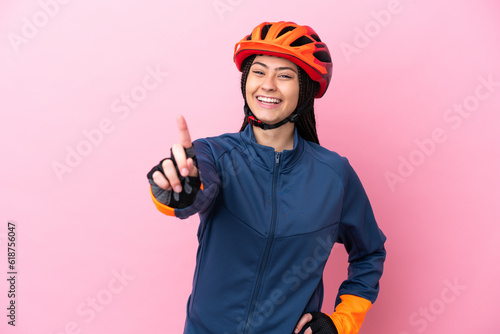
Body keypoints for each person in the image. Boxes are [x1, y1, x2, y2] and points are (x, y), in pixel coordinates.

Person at [147, 21, 386, 334]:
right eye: (259, 71)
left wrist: (340, 324)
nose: (268, 84)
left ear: (305, 90)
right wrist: (178, 190)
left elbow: (370, 253)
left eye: (284, 75)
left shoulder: (335, 175)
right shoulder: (214, 155)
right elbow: (195, 191)